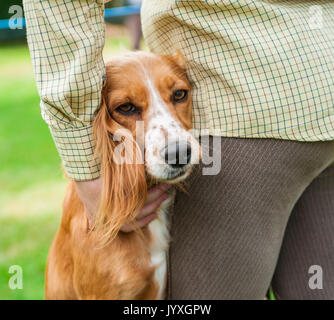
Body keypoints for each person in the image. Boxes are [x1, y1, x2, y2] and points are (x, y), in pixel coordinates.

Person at [23, 0, 334, 299]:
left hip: (244, 122)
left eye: (178, 95)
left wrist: (84, 167)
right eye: (128, 107)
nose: (174, 143)